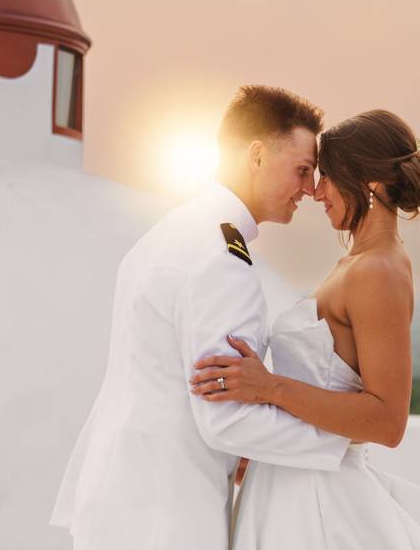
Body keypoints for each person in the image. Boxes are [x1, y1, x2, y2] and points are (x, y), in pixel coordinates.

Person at [49, 86, 352, 550]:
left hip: (122, 501)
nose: (310, 190)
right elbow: (224, 420)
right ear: (255, 155)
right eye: (302, 170)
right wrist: (341, 442)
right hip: (166, 514)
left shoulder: (175, 232)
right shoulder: (221, 259)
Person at [190, 109, 420, 549]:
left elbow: (386, 421)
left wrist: (270, 389)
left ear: (370, 182)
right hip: (287, 484)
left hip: (318, 506)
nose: (316, 191)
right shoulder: (360, 263)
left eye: (328, 176)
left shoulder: (378, 271)